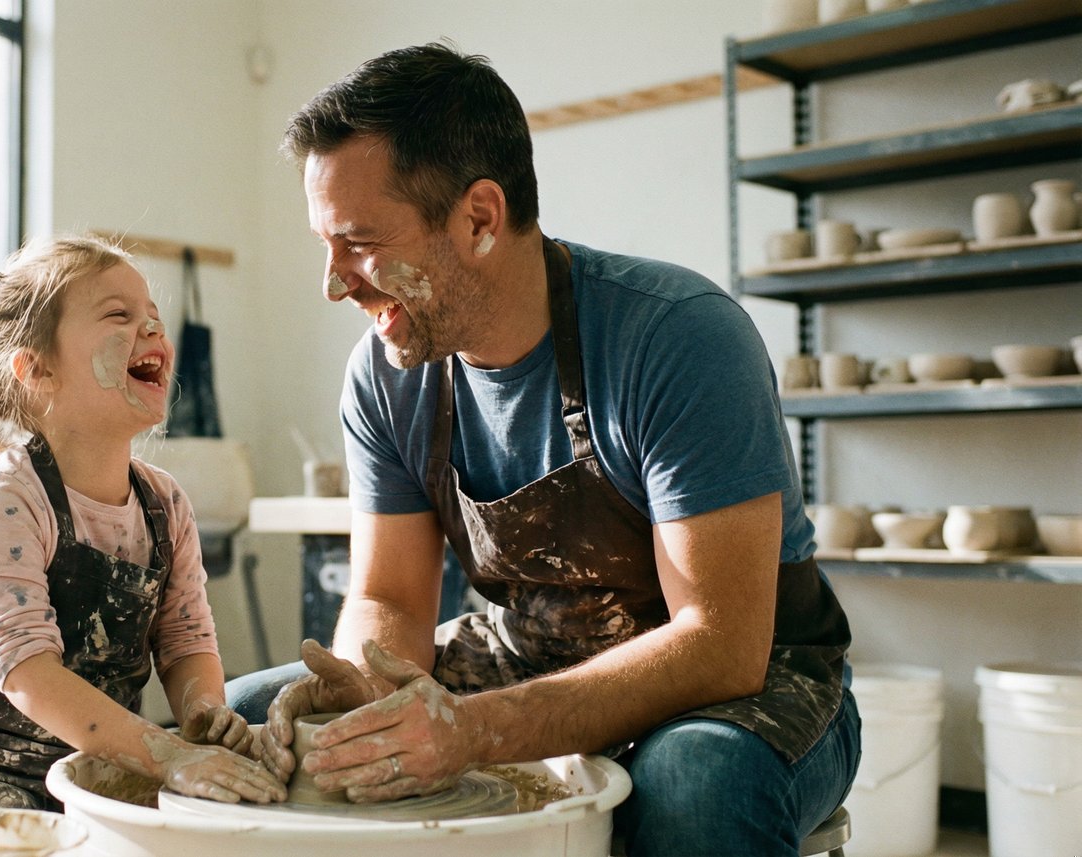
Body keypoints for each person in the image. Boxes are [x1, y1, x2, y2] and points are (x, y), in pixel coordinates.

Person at [227, 43, 859, 856]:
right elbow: (392, 598)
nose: (334, 281)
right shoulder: (387, 373)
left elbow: (719, 644)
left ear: (479, 219)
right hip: (526, 655)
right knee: (244, 716)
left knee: (693, 782)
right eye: (326, 244)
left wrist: (473, 731)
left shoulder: (677, 336)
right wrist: (364, 695)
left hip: (748, 683)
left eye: (359, 241)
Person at [0, 235, 284, 811]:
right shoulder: (6, 501)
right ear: (37, 369)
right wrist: (169, 756)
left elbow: (185, 642)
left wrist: (203, 714)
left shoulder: (165, 503)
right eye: (119, 315)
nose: (152, 328)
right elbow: (27, 672)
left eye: (153, 316)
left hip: (101, 770)